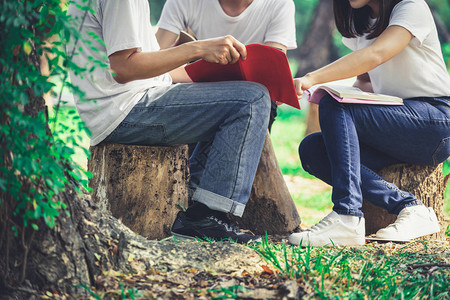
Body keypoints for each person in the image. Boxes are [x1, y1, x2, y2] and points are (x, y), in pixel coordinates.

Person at [67, 0, 271, 244]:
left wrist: (212, 74)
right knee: (252, 99)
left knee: (246, 94)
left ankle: (194, 196)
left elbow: (147, 71)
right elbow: (123, 69)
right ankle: (206, 216)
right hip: (124, 111)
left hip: (130, 101)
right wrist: (197, 49)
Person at [289, 0, 450, 247]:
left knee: (337, 103)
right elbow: (366, 79)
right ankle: (410, 207)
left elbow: (376, 54)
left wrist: (313, 78)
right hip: (397, 120)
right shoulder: (362, 20)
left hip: (436, 121)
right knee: (313, 150)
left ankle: (346, 216)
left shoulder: (411, 6)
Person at [155, 0, 297, 130]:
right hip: (198, 89)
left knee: (256, 99)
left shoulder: (279, 4)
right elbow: (155, 58)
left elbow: (273, 71)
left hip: (254, 96)